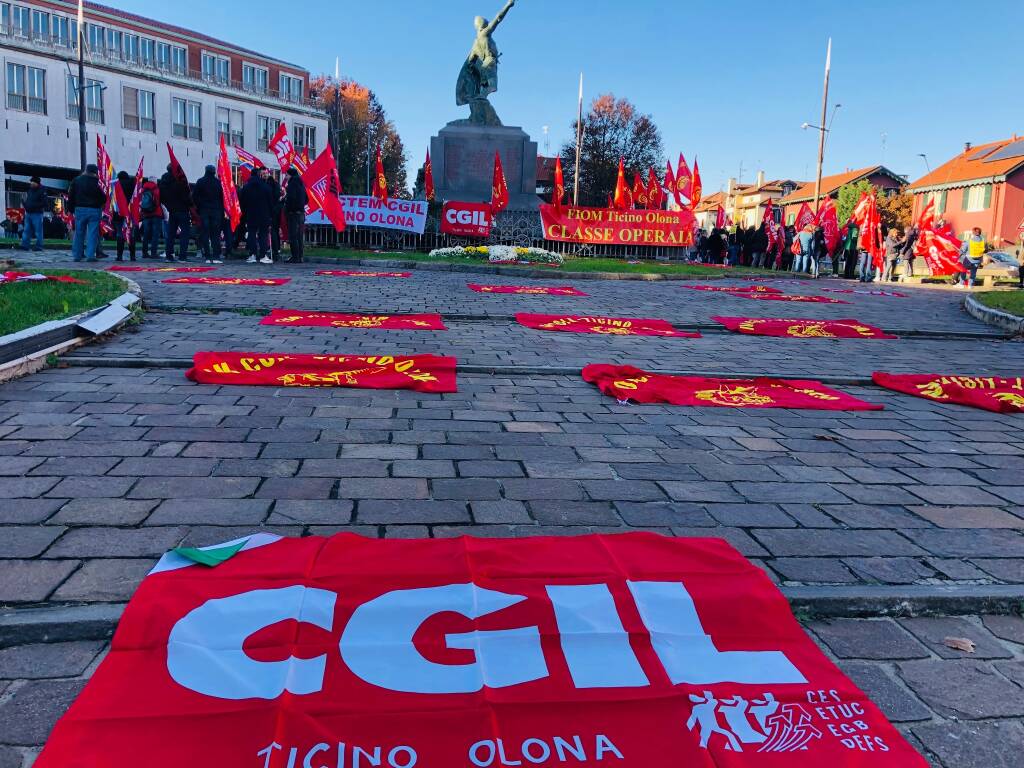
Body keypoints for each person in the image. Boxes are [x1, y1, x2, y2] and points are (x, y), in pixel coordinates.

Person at [68, 164, 107, 263]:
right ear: (95, 172)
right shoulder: (97, 182)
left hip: (80, 209)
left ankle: (77, 255)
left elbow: (71, 195)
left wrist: (71, 209)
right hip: (94, 209)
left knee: (79, 232)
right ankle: (90, 255)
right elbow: (103, 197)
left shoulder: (76, 180)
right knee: (92, 233)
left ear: (86, 170)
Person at [158, 164, 192, 262]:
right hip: (183, 209)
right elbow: (186, 195)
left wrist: (169, 206)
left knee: (171, 234)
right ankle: (182, 256)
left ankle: (169, 255)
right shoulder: (180, 180)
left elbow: (162, 196)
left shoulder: (164, 181)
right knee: (184, 233)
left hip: (172, 210)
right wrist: (189, 204)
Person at [238, 171, 273, 264]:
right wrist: (271, 214)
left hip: (251, 213)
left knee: (251, 234)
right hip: (264, 214)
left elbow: (242, 202)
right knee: (263, 235)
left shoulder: (246, 187)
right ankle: (263, 255)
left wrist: (245, 213)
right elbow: (271, 202)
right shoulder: (266, 187)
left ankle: (252, 254)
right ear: (259, 175)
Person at [193, 165, 225, 265]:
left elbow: (195, 196)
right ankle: (216, 255)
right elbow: (222, 197)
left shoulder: (200, 181)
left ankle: (207, 255)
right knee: (215, 234)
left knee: (205, 233)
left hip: (204, 210)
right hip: (216, 211)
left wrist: (199, 207)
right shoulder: (218, 183)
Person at [284, 167, 309, 264]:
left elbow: (291, 199)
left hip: (293, 213)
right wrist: (301, 204)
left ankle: (295, 257)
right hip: (301, 213)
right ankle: (300, 256)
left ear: (290, 175)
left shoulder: (291, 185)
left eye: (286, 175)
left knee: (293, 236)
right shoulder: (301, 184)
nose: (286, 177)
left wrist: (288, 208)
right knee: (299, 236)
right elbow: (307, 199)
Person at [111, 170, 137, 262]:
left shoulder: (115, 185)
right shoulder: (133, 184)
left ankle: (119, 256)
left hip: (118, 213)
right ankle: (132, 256)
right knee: (131, 234)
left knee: (120, 234)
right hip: (130, 213)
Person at [137, 177, 163, 260]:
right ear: (155, 182)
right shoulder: (156, 189)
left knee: (146, 234)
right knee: (155, 234)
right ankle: (153, 253)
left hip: (146, 214)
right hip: (156, 214)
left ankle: (144, 253)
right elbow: (158, 201)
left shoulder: (142, 189)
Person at [19, 176, 48, 251]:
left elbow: (45, 203)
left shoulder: (42, 190)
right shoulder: (30, 190)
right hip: (28, 213)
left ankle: (39, 246)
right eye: (31, 182)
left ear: (37, 183)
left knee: (38, 231)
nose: (31, 183)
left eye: (32, 182)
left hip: (37, 214)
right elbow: (29, 200)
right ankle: (25, 245)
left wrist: (33, 206)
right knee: (26, 230)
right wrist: (25, 204)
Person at [264, 169, 284, 261]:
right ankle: (277, 249)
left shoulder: (268, 187)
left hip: (271, 211)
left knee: (272, 231)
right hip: (277, 211)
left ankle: (274, 249)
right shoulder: (276, 186)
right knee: (275, 230)